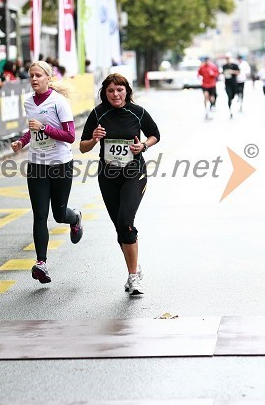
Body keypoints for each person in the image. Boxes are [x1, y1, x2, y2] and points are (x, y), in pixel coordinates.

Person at [79, 73, 160, 296]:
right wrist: (94, 138)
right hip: (108, 176)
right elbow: (83, 147)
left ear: (127, 91)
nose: (116, 94)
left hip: (134, 174)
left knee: (126, 221)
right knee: (120, 228)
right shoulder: (98, 113)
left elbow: (155, 135)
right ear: (105, 93)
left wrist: (143, 146)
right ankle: (133, 269)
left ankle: (134, 277)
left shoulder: (138, 112)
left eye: (120, 90)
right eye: (111, 91)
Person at [11, 60, 83, 284]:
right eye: (31, 75)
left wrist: (44, 128)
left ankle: (76, 218)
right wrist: (22, 142)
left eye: (38, 76)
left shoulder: (58, 102)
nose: (34, 79)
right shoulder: (28, 102)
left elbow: (70, 136)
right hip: (37, 164)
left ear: (48, 78)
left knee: (59, 215)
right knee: (40, 215)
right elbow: (32, 130)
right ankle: (41, 263)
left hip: (60, 163)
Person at [222, 54, 240, 118]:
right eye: (226, 58)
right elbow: (223, 74)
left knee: (233, 96)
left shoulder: (235, 65)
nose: (227, 59)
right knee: (229, 97)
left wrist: (232, 72)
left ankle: (235, 104)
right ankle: (230, 110)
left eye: (228, 58)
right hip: (227, 84)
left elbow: (238, 72)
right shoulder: (224, 66)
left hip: (234, 84)